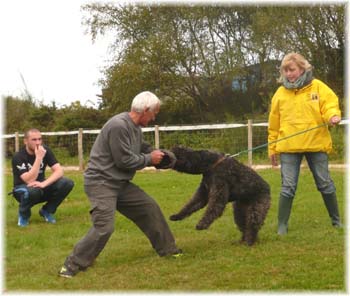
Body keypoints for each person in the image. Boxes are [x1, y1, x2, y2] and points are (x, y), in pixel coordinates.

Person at [59, 91, 182, 278]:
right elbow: (124, 161)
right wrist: (150, 159)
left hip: (120, 183)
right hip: (101, 183)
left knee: (149, 208)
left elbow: (142, 147)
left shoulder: (134, 128)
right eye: (154, 113)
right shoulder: (119, 125)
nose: (154, 117)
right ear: (145, 110)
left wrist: (160, 154)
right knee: (104, 227)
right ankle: (72, 264)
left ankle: (168, 249)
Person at [268, 52, 342, 235]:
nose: (289, 74)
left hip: (316, 144)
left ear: (302, 68)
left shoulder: (318, 87)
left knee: (325, 183)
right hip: (288, 147)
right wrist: (272, 147)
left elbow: (330, 104)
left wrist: (333, 116)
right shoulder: (280, 94)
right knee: (288, 186)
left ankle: (336, 221)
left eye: (291, 69)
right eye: (285, 70)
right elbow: (274, 124)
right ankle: (282, 226)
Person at [11, 128, 74, 227]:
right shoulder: (18, 157)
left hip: (40, 186)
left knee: (67, 183)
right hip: (22, 189)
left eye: (40, 139)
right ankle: (24, 215)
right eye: (34, 140)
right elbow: (29, 180)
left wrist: (44, 183)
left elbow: (59, 171)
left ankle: (47, 211)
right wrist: (38, 158)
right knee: (33, 190)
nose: (38, 142)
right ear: (25, 141)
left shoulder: (45, 150)